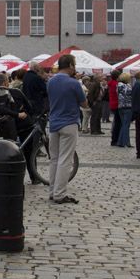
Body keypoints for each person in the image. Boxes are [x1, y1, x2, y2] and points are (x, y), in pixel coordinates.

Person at [46, 54, 87, 204]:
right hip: (69, 123)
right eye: (74, 64)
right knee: (65, 160)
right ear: (70, 65)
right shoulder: (73, 83)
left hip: (54, 123)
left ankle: (52, 191)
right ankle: (60, 194)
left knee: (54, 159)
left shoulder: (50, 82)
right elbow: (84, 103)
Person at [115, 72, 133, 148]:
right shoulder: (127, 87)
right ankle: (126, 142)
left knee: (123, 125)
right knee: (126, 125)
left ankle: (120, 141)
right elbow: (131, 95)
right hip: (128, 107)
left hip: (120, 107)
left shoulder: (118, 86)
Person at [108, 69, 122, 146]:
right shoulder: (116, 84)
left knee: (116, 122)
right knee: (117, 123)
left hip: (113, 104)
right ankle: (115, 140)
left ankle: (115, 139)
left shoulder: (111, 83)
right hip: (117, 104)